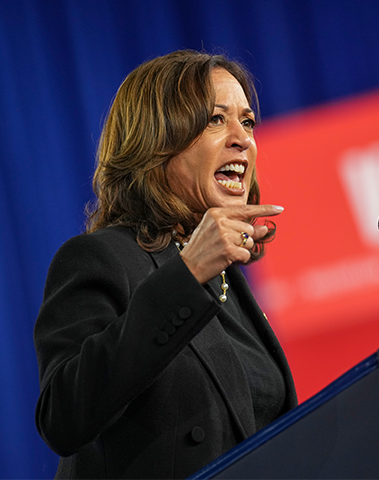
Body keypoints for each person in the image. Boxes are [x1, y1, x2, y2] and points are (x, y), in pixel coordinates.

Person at [34, 50, 297, 479]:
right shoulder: (100, 259)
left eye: (247, 122)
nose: (242, 138)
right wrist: (187, 274)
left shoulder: (230, 279)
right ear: (157, 141)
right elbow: (63, 417)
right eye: (216, 119)